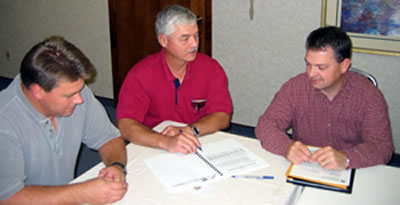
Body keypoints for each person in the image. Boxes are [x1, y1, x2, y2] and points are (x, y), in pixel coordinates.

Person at [0, 36, 128, 204]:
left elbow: (109, 138)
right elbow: (8, 198)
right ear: (38, 91)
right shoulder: (5, 123)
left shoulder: (77, 94)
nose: (79, 100)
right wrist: (82, 193)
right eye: (69, 95)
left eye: (80, 90)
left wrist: (116, 165)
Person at [255, 26, 394, 170]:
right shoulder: (295, 87)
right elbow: (266, 125)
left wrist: (347, 158)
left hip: (351, 170)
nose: (311, 73)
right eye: (308, 64)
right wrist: (286, 147)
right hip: (305, 167)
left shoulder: (369, 96)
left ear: (344, 66)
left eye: (321, 67)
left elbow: (382, 147)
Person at [117, 5, 232, 154]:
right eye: (185, 39)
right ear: (163, 40)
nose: (194, 44)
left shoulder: (211, 69)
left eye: (196, 36)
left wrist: (191, 130)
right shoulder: (140, 74)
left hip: (199, 139)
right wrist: (166, 142)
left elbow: (222, 116)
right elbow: (126, 125)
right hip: (154, 143)